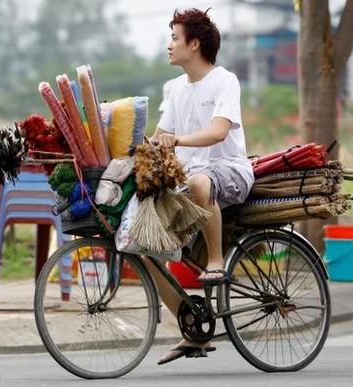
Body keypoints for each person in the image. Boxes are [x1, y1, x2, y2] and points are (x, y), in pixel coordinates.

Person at [147, 8, 255, 365]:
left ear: (194, 44)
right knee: (142, 248)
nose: (169, 45)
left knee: (198, 179)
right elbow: (161, 136)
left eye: (175, 38)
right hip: (191, 180)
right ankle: (192, 326)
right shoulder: (176, 88)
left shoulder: (225, 81)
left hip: (229, 171)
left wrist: (176, 141)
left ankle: (216, 258)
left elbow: (219, 131)